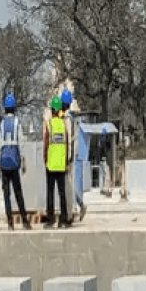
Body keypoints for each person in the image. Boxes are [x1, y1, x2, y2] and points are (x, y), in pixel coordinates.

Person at [0, 93, 31, 231]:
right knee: (18, 192)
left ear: (5, 108)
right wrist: (23, 161)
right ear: (14, 108)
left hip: (4, 161)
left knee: (6, 194)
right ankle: (24, 220)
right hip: (14, 161)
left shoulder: (2, 123)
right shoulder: (17, 122)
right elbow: (21, 142)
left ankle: (10, 222)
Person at [44, 95, 70, 229]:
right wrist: (65, 162)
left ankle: (50, 220)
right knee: (62, 193)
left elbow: (46, 144)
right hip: (61, 164)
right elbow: (67, 145)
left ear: (51, 110)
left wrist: (45, 160)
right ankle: (64, 220)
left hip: (51, 165)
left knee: (50, 193)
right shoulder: (63, 125)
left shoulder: (49, 124)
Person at [61, 87, 86, 222]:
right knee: (68, 183)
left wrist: (67, 157)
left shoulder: (68, 119)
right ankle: (75, 207)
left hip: (69, 154)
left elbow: (67, 140)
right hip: (72, 152)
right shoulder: (72, 117)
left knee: (68, 183)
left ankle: (78, 206)